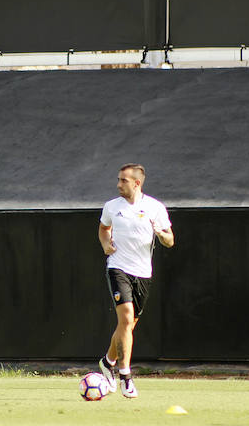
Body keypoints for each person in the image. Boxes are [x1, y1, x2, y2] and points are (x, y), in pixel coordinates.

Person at [97, 163, 174, 398]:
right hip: (118, 267)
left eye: (123, 180)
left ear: (137, 183)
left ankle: (107, 361)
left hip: (143, 274)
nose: (118, 184)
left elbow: (170, 241)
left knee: (127, 326)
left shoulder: (155, 208)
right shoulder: (112, 206)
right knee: (127, 317)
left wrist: (161, 235)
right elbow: (103, 228)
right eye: (119, 180)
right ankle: (125, 377)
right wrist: (105, 244)